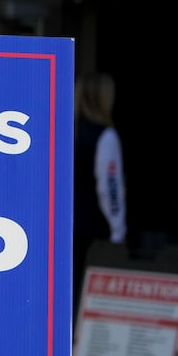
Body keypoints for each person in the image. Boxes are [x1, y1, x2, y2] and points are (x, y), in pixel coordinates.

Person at [74, 73, 127, 296]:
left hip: (67, 227)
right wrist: (117, 231)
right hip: (93, 231)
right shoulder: (105, 136)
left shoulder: (67, 132)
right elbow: (110, 188)